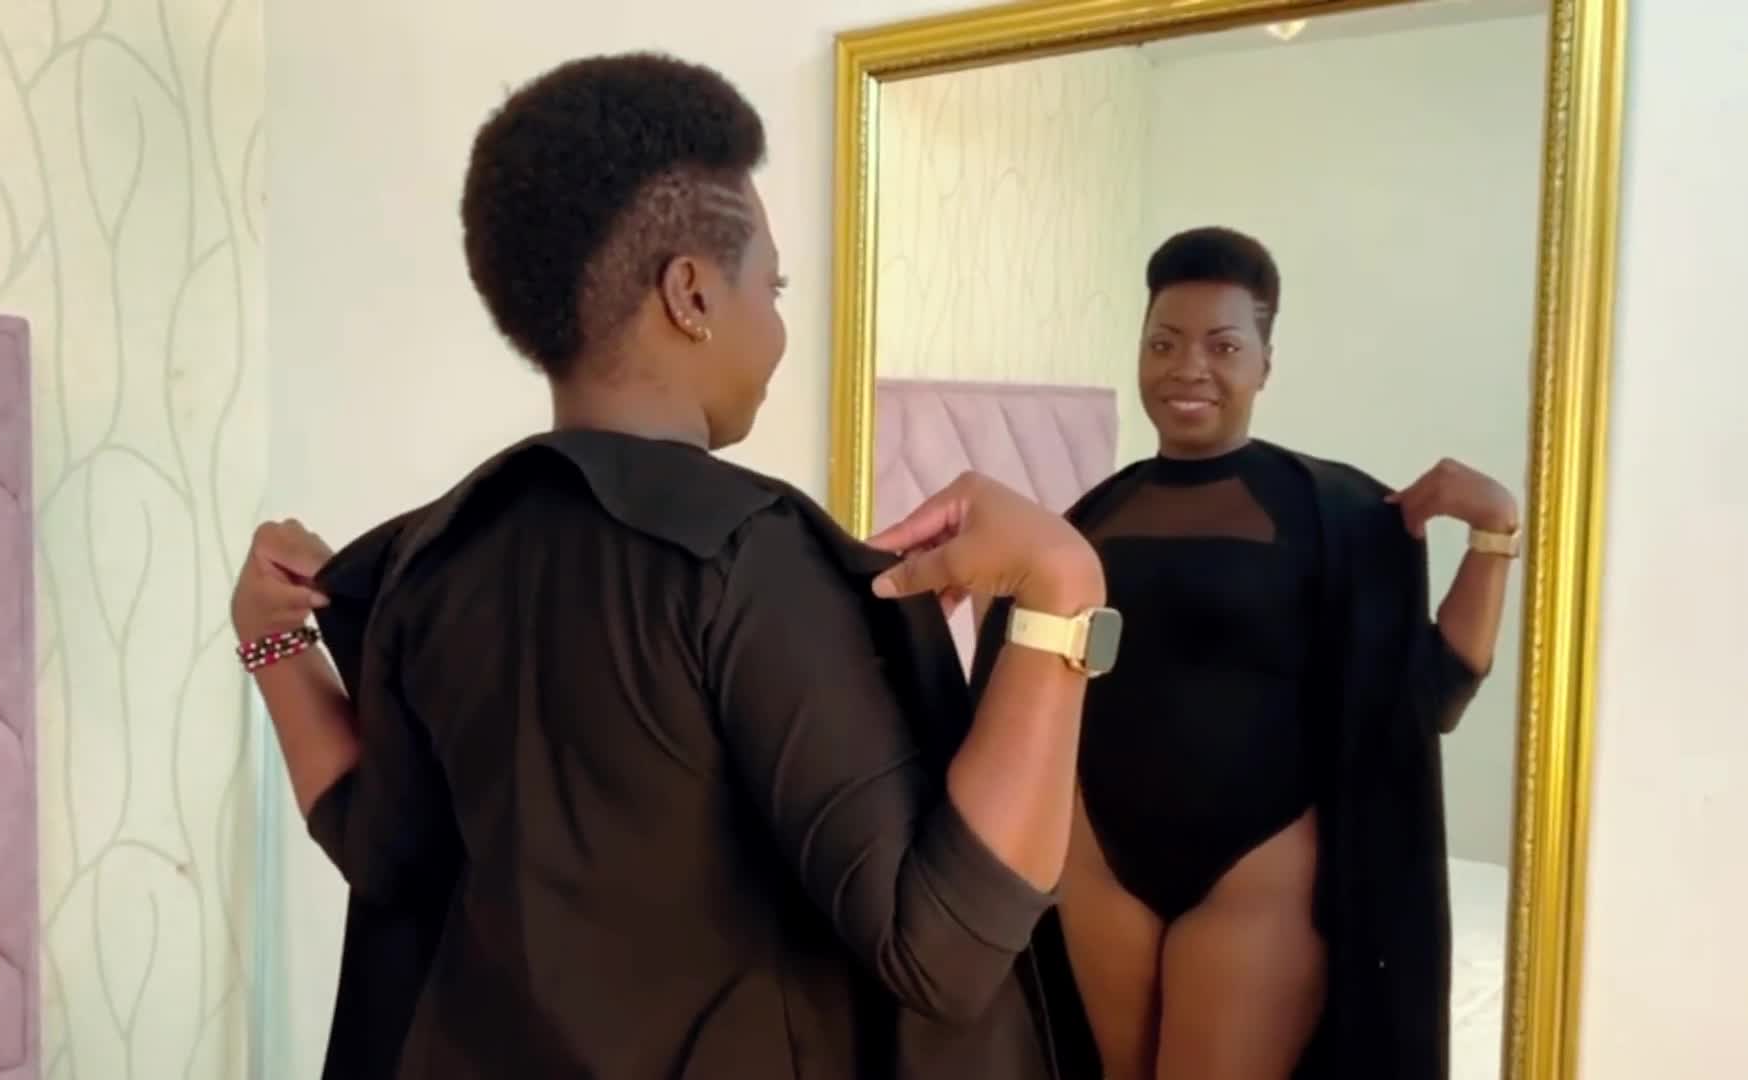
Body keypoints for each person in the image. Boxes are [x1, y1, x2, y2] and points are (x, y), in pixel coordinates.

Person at [233, 53, 1114, 1080]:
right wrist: (1063, 588)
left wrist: (272, 648)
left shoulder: (436, 559)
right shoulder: (744, 558)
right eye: (771, 287)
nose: (777, 328)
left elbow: (385, 857)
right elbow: (944, 950)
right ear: (691, 292)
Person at [969, 227, 1519, 1080]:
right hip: (1099, 862)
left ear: (1265, 364)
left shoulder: (1338, 514)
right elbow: (1028, 687)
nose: (1188, 368)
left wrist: (1495, 534)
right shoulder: (1085, 521)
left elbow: (1434, 693)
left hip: (1258, 866)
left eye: (1222, 346)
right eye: (1163, 343)